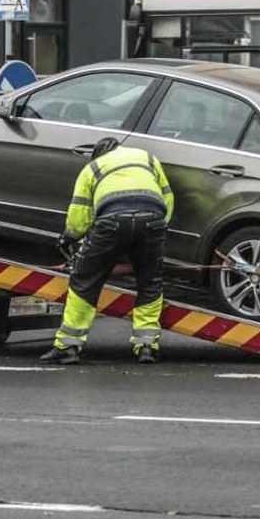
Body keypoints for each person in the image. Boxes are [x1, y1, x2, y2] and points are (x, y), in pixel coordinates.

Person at [41, 137, 173, 365]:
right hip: (152, 219)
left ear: (98, 154)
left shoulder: (92, 168)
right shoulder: (146, 158)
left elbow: (80, 214)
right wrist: (158, 226)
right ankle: (147, 346)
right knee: (150, 281)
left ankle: (68, 346)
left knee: (85, 281)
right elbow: (167, 197)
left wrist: (69, 237)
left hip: (112, 222)